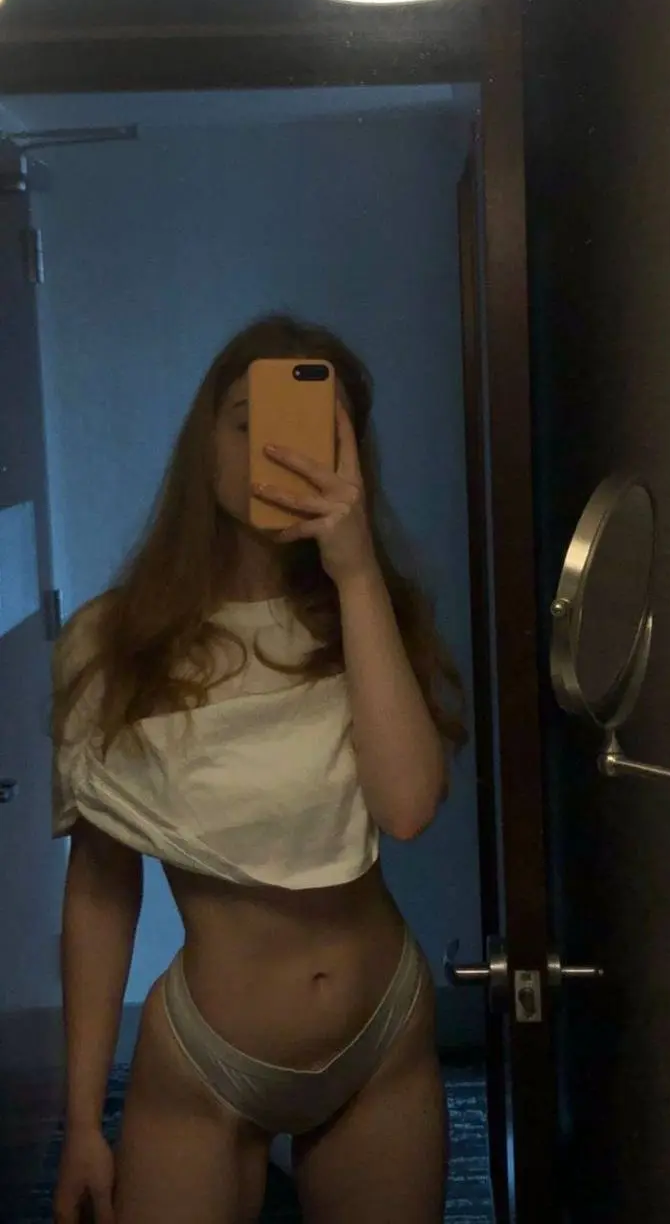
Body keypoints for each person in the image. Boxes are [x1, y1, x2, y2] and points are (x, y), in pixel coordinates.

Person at [51, 316, 467, 1224]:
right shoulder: (110, 642)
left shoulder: (371, 612)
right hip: (207, 1060)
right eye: (247, 422)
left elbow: (406, 808)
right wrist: (82, 1122)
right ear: (204, 441)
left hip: (382, 1037)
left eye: (311, 428)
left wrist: (356, 574)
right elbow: (100, 889)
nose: (275, 449)